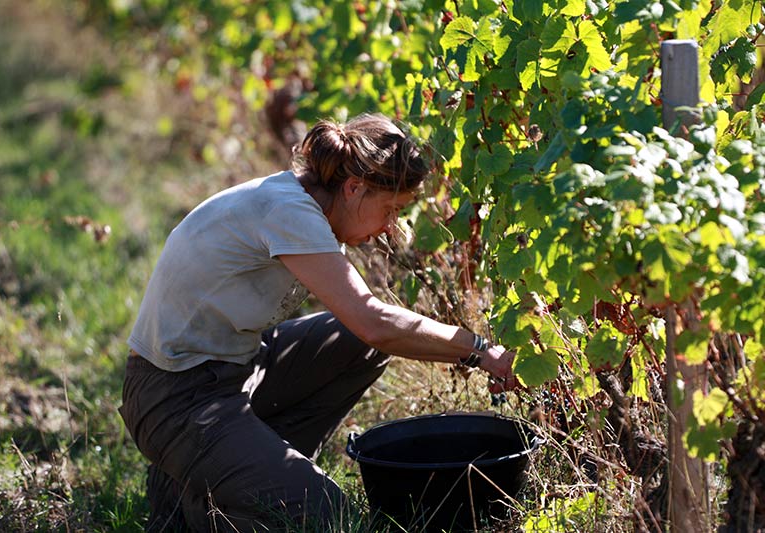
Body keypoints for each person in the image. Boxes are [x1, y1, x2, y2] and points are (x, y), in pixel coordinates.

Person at [118, 113, 519, 532]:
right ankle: (204, 502)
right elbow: (374, 320)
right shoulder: (288, 211)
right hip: (175, 397)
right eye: (391, 209)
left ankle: (231, 473)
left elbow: (368, 331)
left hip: (234, 369)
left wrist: (474, 354)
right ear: (353, 187)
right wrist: (481, 350)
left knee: (355, 344)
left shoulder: (303, 204)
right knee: (327, 515)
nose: (390, 228)